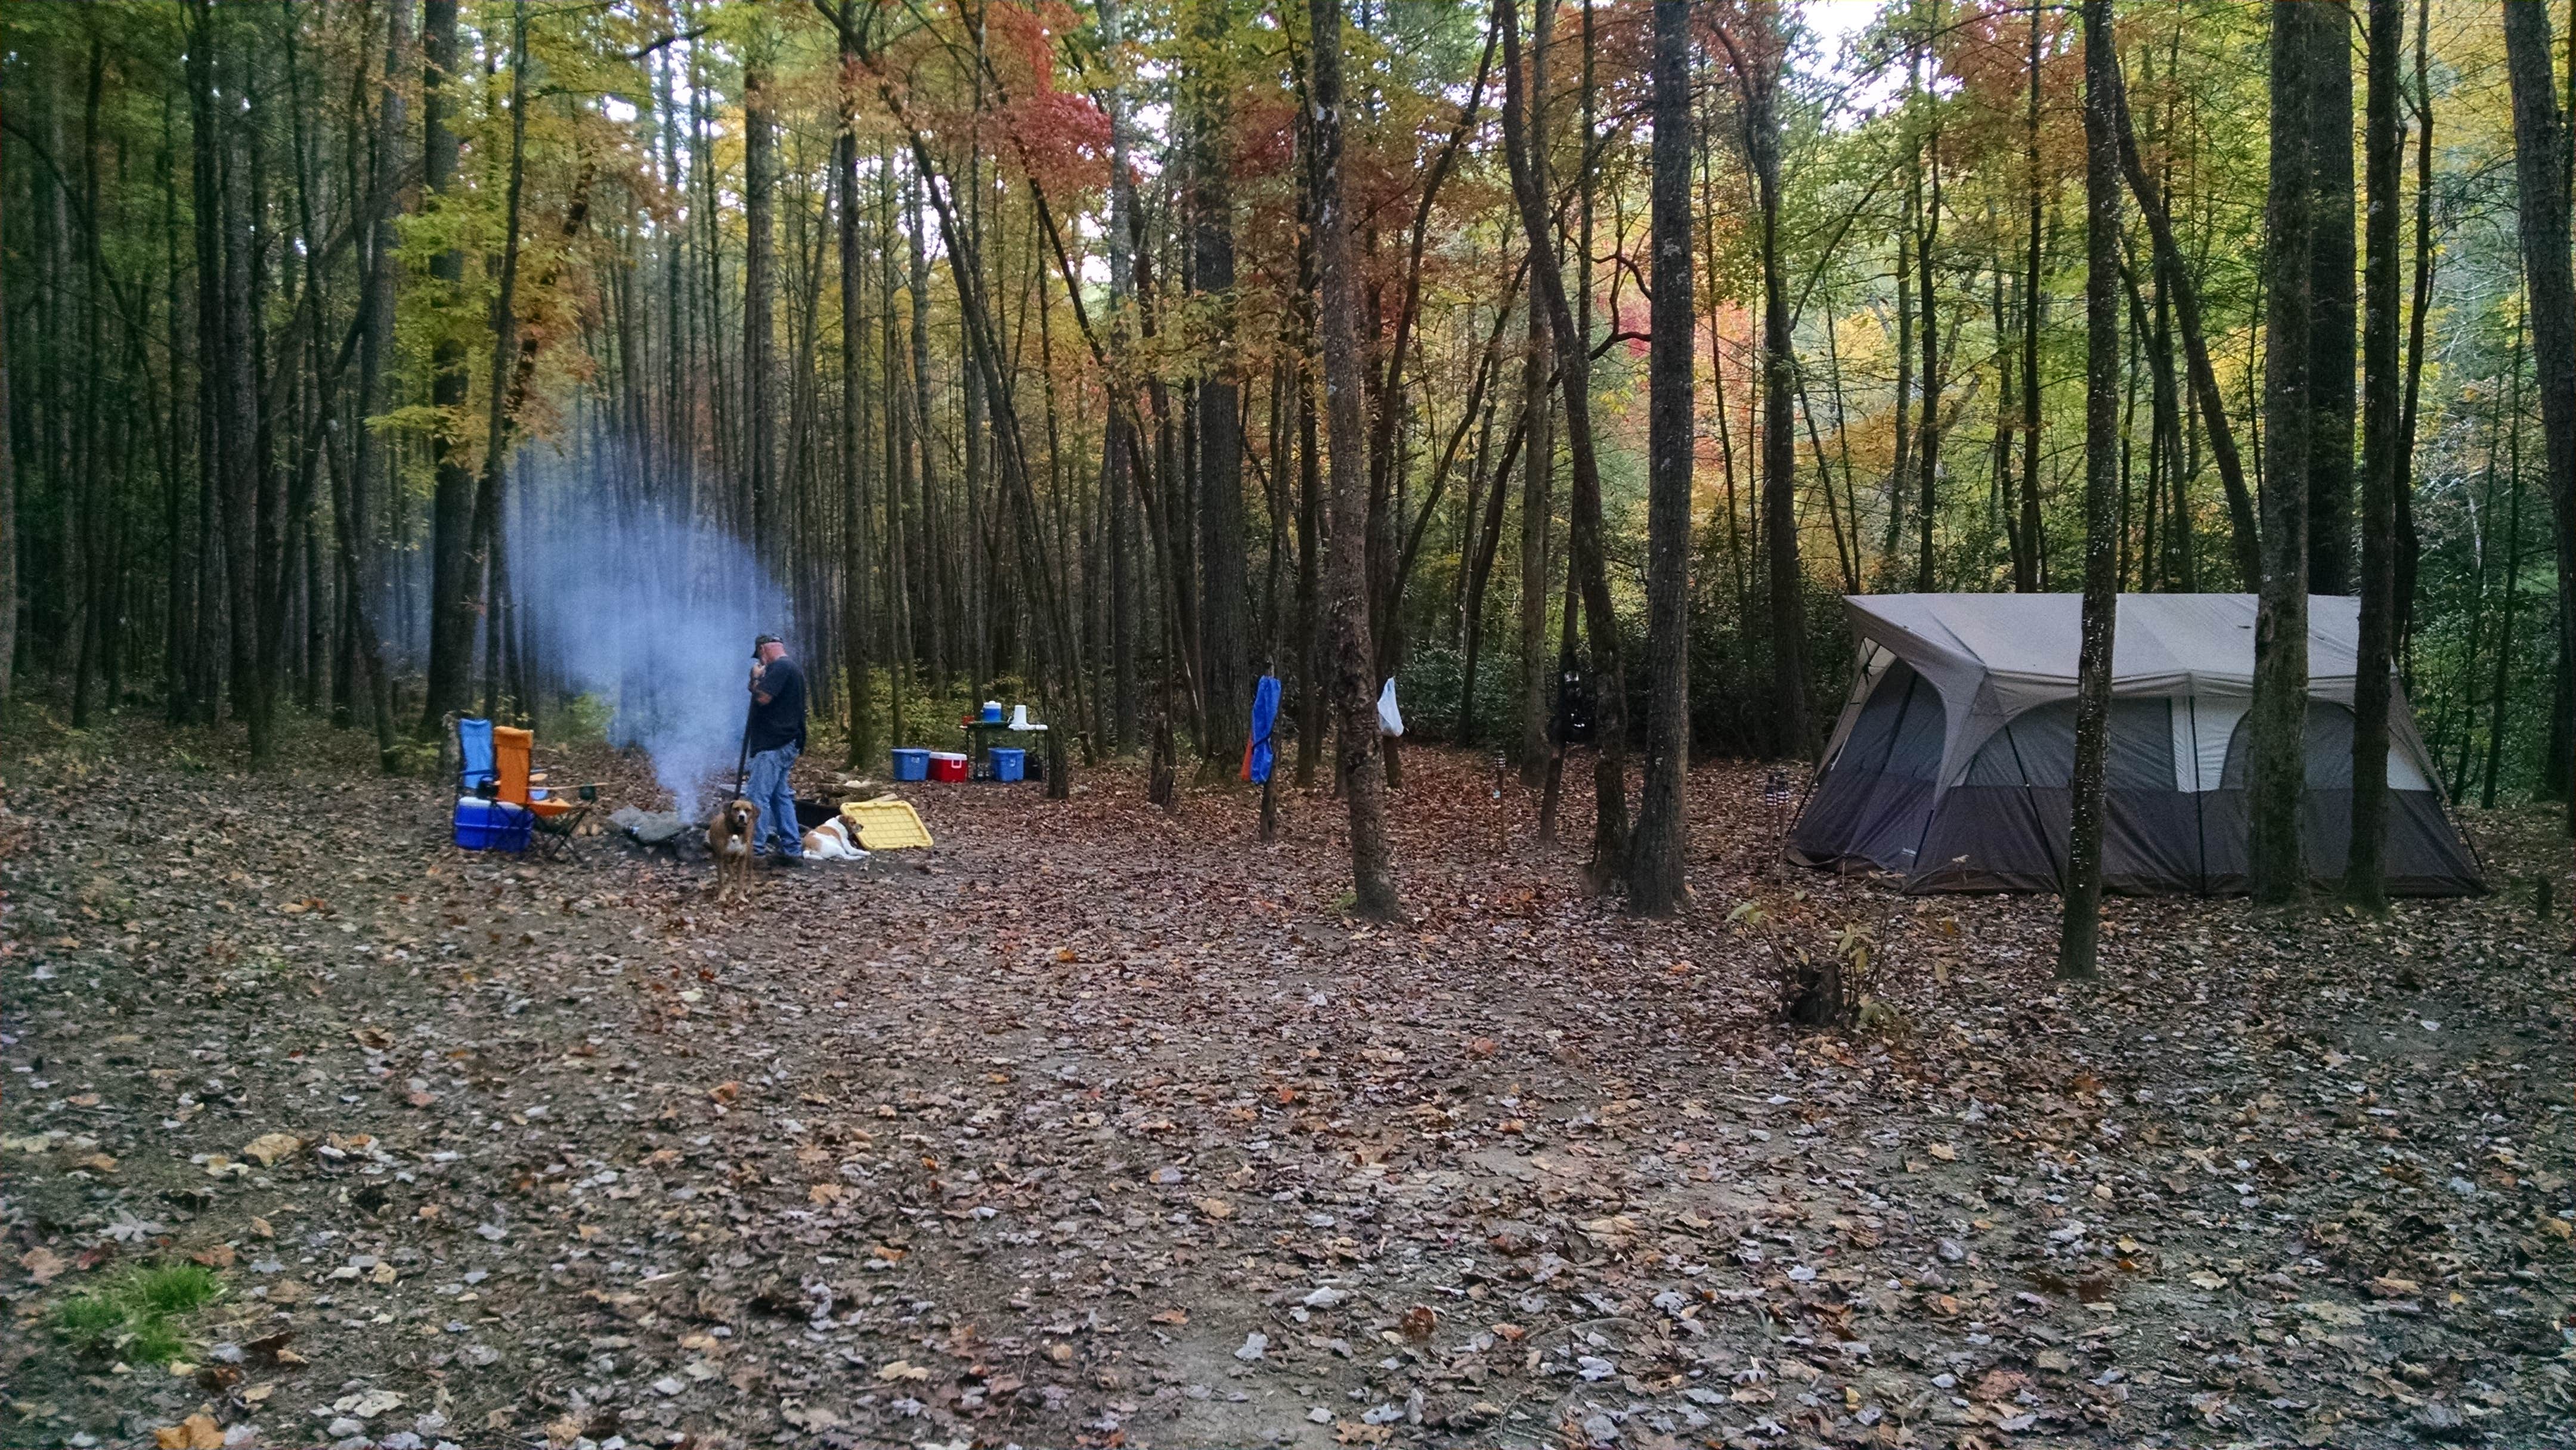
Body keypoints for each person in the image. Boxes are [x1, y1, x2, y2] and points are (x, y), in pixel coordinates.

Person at [744, 633, 807, 864]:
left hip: (774, 743)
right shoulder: (791, 668)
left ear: (763, 649)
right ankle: (792, 850)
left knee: (757, 797)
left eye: (760, 656)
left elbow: (762, 697)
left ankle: (755, 850)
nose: (761, 662)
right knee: (781, 797)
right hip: (787, 742)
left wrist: (755, 678)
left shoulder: (780, 668)